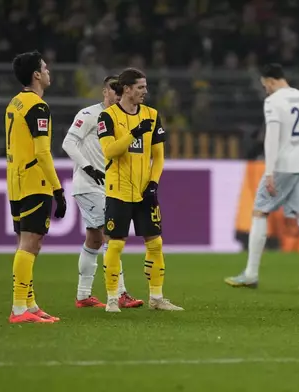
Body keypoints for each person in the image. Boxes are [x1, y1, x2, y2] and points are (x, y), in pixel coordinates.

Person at [224, 63, 299, 289]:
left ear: (271, 80)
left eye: (265, 84)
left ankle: (250, 274)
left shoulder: (273, 101)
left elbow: (272, 136)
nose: (265, 89)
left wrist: (269, 171)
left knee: (260, 211)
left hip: (283, 165)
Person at [97, 68, 183, 312]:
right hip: (118, 189)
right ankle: (113, 298)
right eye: (140, 88)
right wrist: (133, 133)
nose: (145, 92)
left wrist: (153, 183)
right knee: (115, 245)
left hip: (145, 191)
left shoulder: (152, 115)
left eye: (145, 87)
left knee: (155, 243)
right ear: (126, 89)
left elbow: (159, 156)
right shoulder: (108, 117)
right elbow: (109, 151)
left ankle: (157, 298)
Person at [62, 75, 143, 309]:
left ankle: (83, 295)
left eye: (121, 90)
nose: (117, 94)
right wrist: (88, 167)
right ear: (104, 92)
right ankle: (120, 293)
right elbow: (68, 142)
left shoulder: (120, 118)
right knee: (112, 235)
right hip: (88, 184)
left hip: (109, 185)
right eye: (113, 90)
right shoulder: (88, 115)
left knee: (94, 239)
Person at [5, 50, 66, 323]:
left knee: (25, 242)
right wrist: (58, 189)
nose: (49, 71)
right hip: (34, 181)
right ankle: (19, 309)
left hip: (16, 181)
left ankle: (29, 305)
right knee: (30, 243)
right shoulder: (38, 107)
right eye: (45, 67)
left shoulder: (15, 103)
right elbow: (43, 153)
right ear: (36, 75)